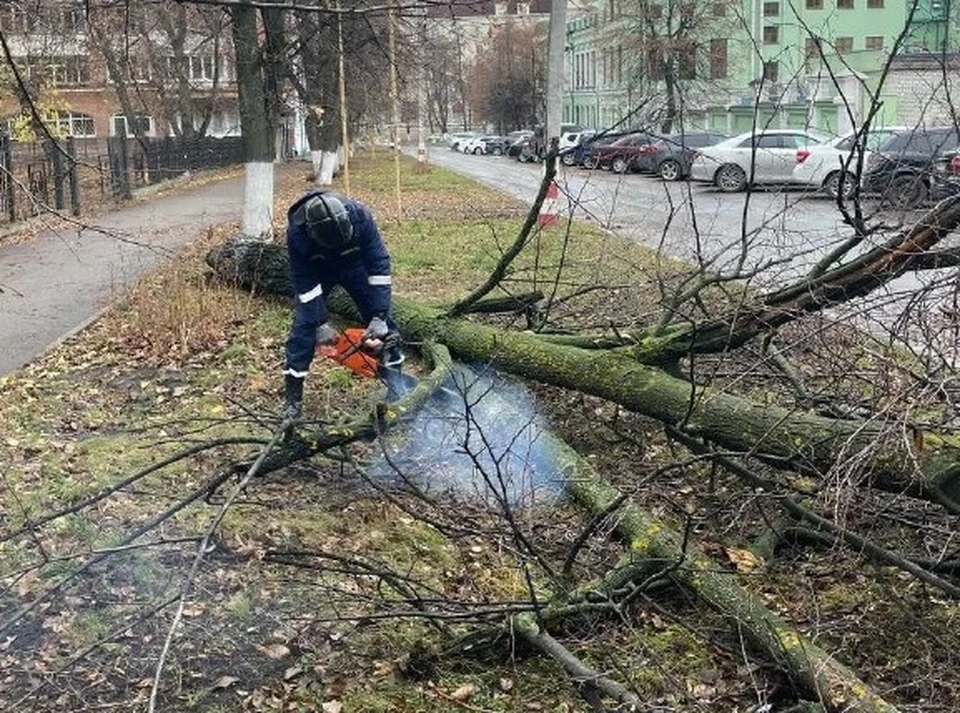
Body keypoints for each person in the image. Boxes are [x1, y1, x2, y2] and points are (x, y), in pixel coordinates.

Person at [282, 190, 403, 421]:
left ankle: (397, 385)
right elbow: (304, 284)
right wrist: (319, 323)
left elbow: (378, 266)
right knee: (303, 328)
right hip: (319, 269)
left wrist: (378, 315)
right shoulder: (298, 235)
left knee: (385, 323)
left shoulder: (360, 216)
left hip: (354, 264)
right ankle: (293, 401)